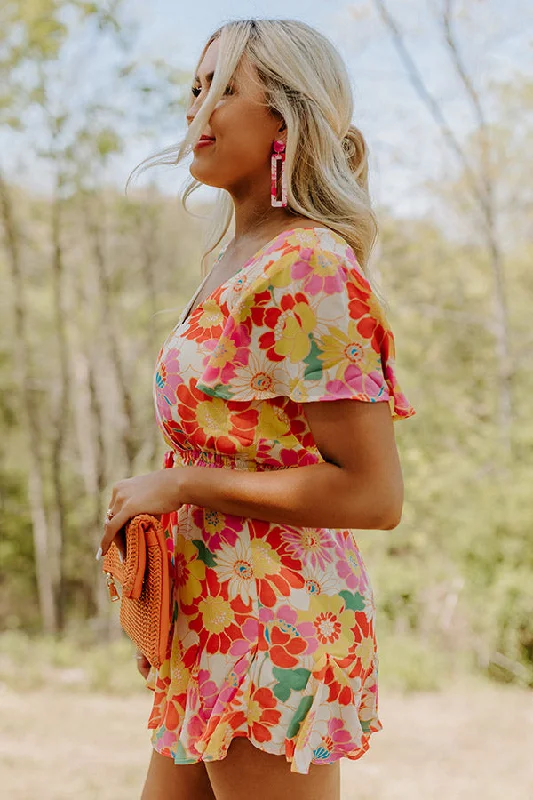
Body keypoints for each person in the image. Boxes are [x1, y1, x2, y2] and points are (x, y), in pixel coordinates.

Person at [100, 17, 416, 800]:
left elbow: (372, 495)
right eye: (195, 87)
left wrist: (177, 488)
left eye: (222, 88)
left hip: (272, 624)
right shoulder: (236, 261)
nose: (194, 110)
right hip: (207, 618)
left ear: (285, 115)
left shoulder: (308, 265)